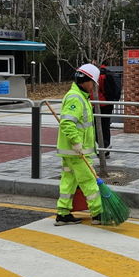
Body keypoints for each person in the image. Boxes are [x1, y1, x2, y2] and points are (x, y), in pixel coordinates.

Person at [54, 63, 103, 226]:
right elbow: (67, 123)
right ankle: (98, 214)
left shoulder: (80, 96)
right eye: (93, 83)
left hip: (71, 151)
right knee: (88, 180)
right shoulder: (76, 98)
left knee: (68, 181)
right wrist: (76, 143)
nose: (93, 86)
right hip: (76, 151)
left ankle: (63, 213)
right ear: (86, 81)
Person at [96, 65, 115, 158]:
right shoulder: (108, 74)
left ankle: (103, 148)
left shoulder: (98, 76)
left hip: (99, 104)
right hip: (108, 104)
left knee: (98, 127)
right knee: (105, 126)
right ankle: (106, 148)